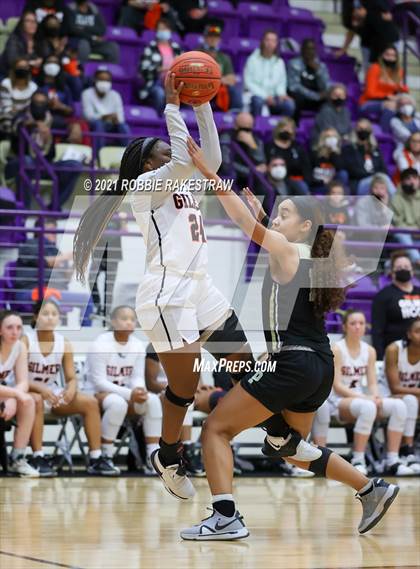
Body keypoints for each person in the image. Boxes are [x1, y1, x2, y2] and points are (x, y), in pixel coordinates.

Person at [181, 138, 399, 539]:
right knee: (288, 446)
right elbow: (269, 235)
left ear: (304, 226)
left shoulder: (286, 248)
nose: (275, 220)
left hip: (293, 361)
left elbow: (249, 228)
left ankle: (225, 516)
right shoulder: (311, 256)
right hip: (318, 365)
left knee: (215, 429)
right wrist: (269, 219)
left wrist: (210, 174)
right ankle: (372, 488)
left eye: (285, 213)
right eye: (275, 214)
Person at [74, 73, 261, 501]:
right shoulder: (147, 187)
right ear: (147, 162)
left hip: (201, 288)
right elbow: (182, 159)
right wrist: (172, 107)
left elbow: (206, 158)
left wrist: (203, 104)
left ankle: (273, 431)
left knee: (248, 366)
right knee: (185, 386)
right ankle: (168, 453)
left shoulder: (181, 179)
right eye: (164, 146)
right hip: (168, 294)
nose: (173, 148)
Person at [312, 309, 414, 476]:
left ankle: (392, 460)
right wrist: (366, 398)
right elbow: (337, 386)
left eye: (361, 323)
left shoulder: (369, 350)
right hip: (337, 400)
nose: (358, 327)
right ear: (345, 327)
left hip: (359, 399)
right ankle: (358, 459)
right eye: (353, 323)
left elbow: (372, 382)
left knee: (399, 406)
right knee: (368, 407)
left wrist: (376, 397)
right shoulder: (337, 349)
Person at [24, 298, 120, 475]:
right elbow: (21, 379)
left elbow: (71, 377)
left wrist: (70, 390)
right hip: (27, 394)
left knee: (90, 402)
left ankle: (96, 458)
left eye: (54, 314)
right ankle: (38, 456)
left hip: (51, 394)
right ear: (36, 316)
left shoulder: (64, 343)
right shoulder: (26, 341)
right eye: (45, 314)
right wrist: (41, 389)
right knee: (36, 399)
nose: (50, 318)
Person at [85, 305, 162, 470]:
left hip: (125, 395)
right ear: (113, 321)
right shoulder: (100, 344)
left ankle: (153, 457)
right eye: (124, 319)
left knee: (153, 400)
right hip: (95, 393)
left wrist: (140, 390)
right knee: (117, 403)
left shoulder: (137, 345)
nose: (129, 322)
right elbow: (99, 381)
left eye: (132, 319)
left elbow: (137, 378)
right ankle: (106, 456)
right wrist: (130, 393)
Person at [8, 90, 81, 209]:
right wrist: (36, 124)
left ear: (47, 105)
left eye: (42, 103)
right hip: (18, 164)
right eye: (36, 103)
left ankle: (53, 208)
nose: (38, 106)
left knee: (74, 166)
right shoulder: (21, 116)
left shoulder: (51, 120)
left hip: (44, 166)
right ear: (30, 103)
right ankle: (24, 210)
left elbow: (67, 123)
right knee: (26, 161)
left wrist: (75, 126)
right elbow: (17, 124)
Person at [0, 310, 39, 477]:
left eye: (18, 327)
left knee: (28, 401)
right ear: (0, 330)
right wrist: (14, 395)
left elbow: (23, 381)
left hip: (3, 392)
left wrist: (14, 397)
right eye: (9, 327)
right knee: (22, 397)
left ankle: (18, 457)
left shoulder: (20, 347)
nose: (15, 332)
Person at [385, 317, 420, 473]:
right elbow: (395, 388)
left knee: (411, 400)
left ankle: (408, 451)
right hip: (386, 395)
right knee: (411, 401)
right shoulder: (395, 349)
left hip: (412, 396)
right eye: (418, 331)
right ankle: (408, 450)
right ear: (409, 334)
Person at [371, 251, 420, 360]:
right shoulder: (383, 296)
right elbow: (377, 331)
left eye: (406, 266)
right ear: (392, 272)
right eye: (399, 267)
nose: (403, 269)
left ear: (412, 271)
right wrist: (379, 358)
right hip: (395, 354)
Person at [243, 30, 294, 118]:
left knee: (289, 105)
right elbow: (249, 83)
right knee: (257, 102)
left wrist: (281, 94)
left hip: (274, 98)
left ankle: (280, 129)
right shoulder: (252, 60)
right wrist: (265, 97)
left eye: (273, 41)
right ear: (262, 41)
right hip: (256, 96)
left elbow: (281, 82)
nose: (270, 43)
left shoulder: (279, 62)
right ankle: (257, 129)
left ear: (276, 44)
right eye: (267, 40)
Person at [138, 18, 183, 116]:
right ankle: (160, 119)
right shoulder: (150, 48)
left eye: (165, 29)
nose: (163, 31)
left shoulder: (176, 48)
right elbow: (144, 70)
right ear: (156, 31)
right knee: (160, 94)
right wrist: (159, 70)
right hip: (155, 83)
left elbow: (183, 66)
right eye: (160, 29)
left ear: (170, 31)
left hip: (173, 83)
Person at [359, 46, 409, 130]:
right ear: (382, 56)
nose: (390, 58)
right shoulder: (375, 68)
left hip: (391, 101)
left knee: (407, 105)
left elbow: (403, 89)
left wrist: (399, 91)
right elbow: (369, 93)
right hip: (368, 103)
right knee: (390, 106)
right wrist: (387, 96)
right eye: (387, 55)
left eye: (393, 56)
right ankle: (385, 134)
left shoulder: (399, 71)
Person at [36, 54, 82, 143]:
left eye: (56, 63)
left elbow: (71, 110)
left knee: (77, 127)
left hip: (60, 119)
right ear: (44, 65)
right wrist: (46, 104)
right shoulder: (36, 84)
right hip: (41, 119)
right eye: (49, 62)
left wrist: (61, 106)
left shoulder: (64, 88)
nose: (52, 65)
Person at [342, 118, 396, 195]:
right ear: (355, 130)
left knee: (382, 181)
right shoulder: (349, 148)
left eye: (366, 128)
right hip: (359, 183)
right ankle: (396, 202)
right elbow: (353, 170)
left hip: (377, 181)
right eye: (360, 128)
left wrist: (376, 177)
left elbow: (384, 169)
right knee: (382, 178)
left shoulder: (375, 148)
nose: (363, 131)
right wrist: (374, 176)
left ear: (370, 131)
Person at [81, 68, 130, 149]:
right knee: (98, 124)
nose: (104, 83)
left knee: (124, 127)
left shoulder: (115, 95)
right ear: (95, 80)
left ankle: (128, 155)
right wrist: (104, 117)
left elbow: (121, 118)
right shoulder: (87, 93)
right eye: (101, 79)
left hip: (111, 124)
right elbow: (88, 116)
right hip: (93, 124)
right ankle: (98, 156)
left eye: (107, 80)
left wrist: (116, 119)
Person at [199, 24, 242, 113]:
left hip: (218, 88)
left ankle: (235, 114)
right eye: (210, 36)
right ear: (205, 38)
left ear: (219, 40)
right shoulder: (197, 54)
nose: (213, 39)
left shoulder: (224, 57)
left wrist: (216, 80)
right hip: (202, 87)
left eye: (216, 37)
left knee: (234, 90)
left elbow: (231, 79)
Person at [264, 117, 312, 196]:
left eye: (290, 128)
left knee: (302, 187)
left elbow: (306, 167)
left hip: (294, 179)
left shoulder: (297, 147)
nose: (287, 130)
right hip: (274, 179)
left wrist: (307, 182)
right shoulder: (269, 146)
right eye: (284, 127)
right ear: (278, 129)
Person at [220, 112, 266, 188]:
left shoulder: (256, 140)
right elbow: (226, 164)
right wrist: (251, 171)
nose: (245, 132)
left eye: (248, 129)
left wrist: (252, 146)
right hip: (235, 175)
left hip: (252, 177)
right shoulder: (226, 137)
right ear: (235, 125)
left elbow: (261, 162)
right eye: (242, 128)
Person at [287, 38, 331, 120]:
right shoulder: (294, 64)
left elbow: (325, 87)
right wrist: (315, 96)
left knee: (330, 99)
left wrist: (318, 71)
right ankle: (295, 125)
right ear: (302, 50)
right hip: (302, 97)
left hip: (316, 97)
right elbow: (294, 86)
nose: (310, 52)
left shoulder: (321, 66)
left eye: (313, 49)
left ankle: (325, 127)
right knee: (297, 98)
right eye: (307, 48)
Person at [0, 58, 38, 138]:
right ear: (14, 69)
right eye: (20, 67)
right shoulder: (6, 83)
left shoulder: (33, 86)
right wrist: (21, 110)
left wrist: (22, 110)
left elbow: (30, 107)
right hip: (7, 116)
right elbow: (8, 108)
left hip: (26, 116)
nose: (22, 69)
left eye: (25, 67)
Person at [391, 168, 420, 266]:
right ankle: (417, 260)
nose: (412, 181)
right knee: (400, 234)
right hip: (405, 237)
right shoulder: (396, 199)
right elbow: (398, 224)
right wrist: (415, 231)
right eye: (408, 179)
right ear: (402, 182)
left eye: (415, 178)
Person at [0, 10, 43, 76]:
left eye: (34, 21)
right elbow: (12, 60)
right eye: (28, 21)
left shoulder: (38, 40)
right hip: (9, 74)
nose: (32, 24)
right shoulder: (14, 39)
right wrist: (31, 62)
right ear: (22, 23)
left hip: (31, 75)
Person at [310, 128, 348, 194]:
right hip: (319, 185)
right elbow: (309, 173)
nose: (331, 139)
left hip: (334, 186)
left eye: (333, 137)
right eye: (328, 137)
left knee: (343, 174)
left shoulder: (341, 153)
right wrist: (321, 182)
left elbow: (340, 168)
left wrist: (333, 152)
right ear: (323, 139)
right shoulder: (314, 153)